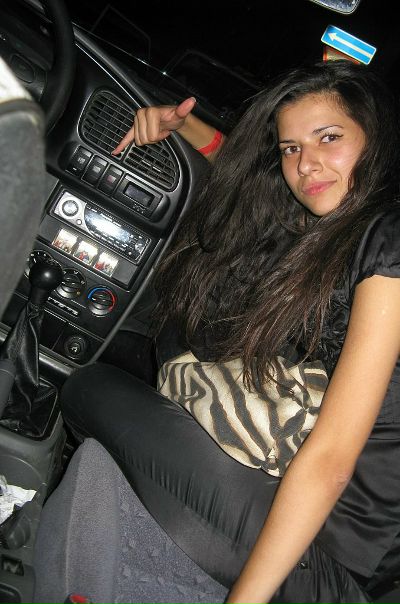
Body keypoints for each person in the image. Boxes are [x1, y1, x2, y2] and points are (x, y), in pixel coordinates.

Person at [57, 59, 400, 603]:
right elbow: (252, 186)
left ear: (373, 139)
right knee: (142, 348)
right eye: (291, 148)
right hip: (301, 514)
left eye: (329, 137)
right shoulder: (338, 228)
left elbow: (332, 460)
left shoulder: (389, 239)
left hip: (329, 562)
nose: (306, 164)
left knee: (86, 386)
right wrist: (184, 128)